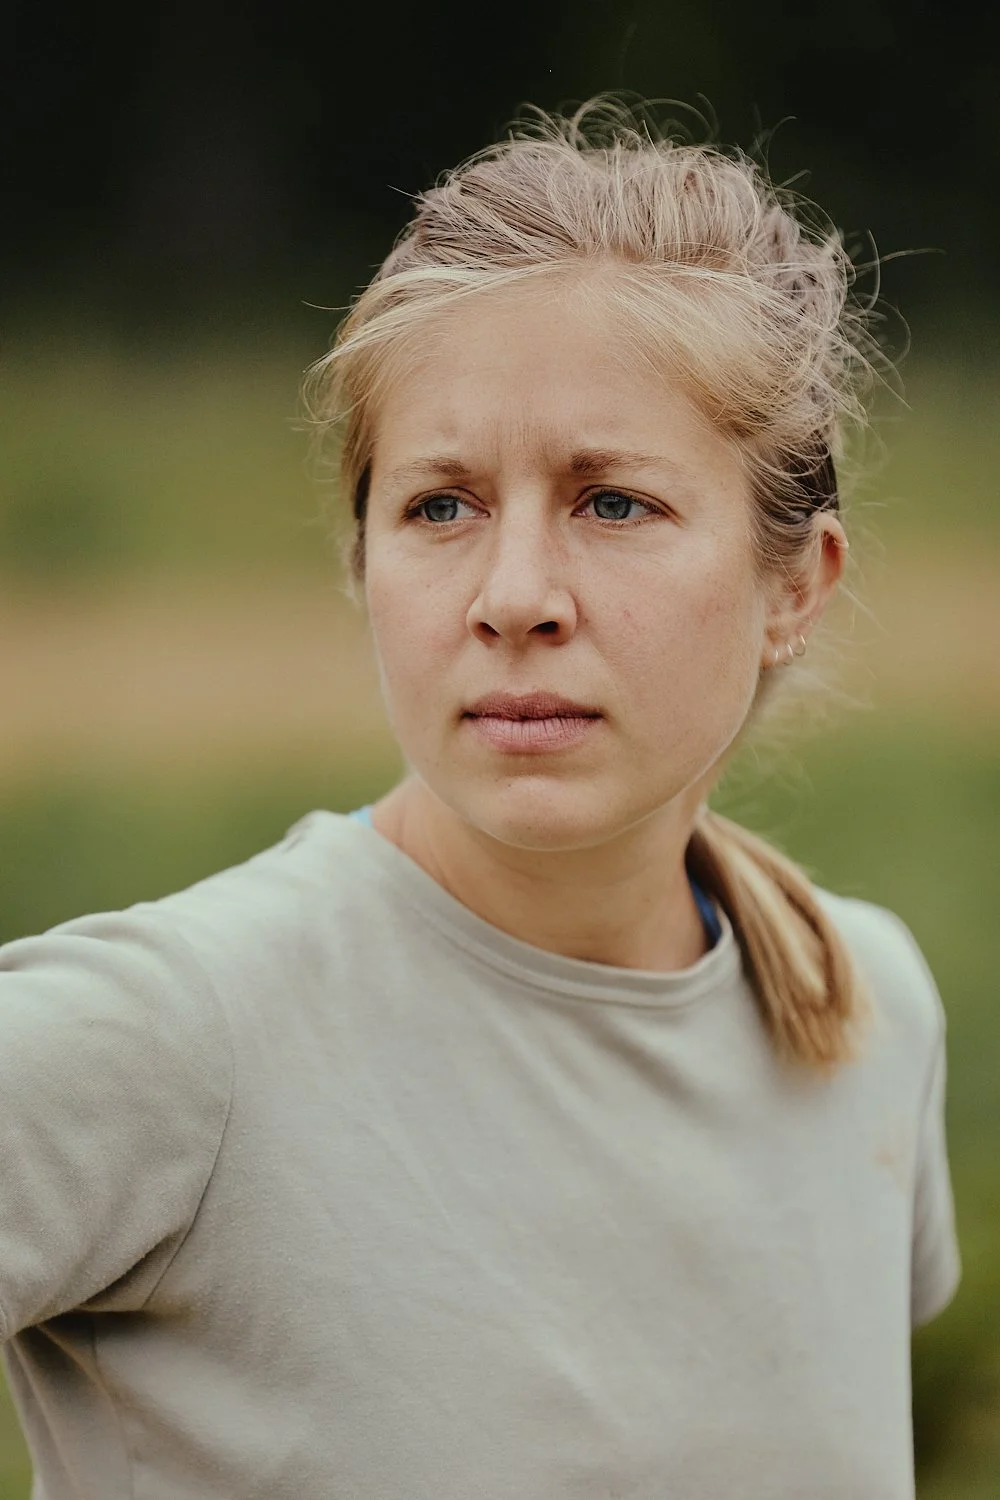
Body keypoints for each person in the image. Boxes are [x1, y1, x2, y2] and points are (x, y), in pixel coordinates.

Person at [0, 99, 959, 1499]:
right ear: (362, 561)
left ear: (792, 589)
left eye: (613, 502)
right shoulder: (172, 1039)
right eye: (442, 505)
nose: (514, 597)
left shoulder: (863, 1007)